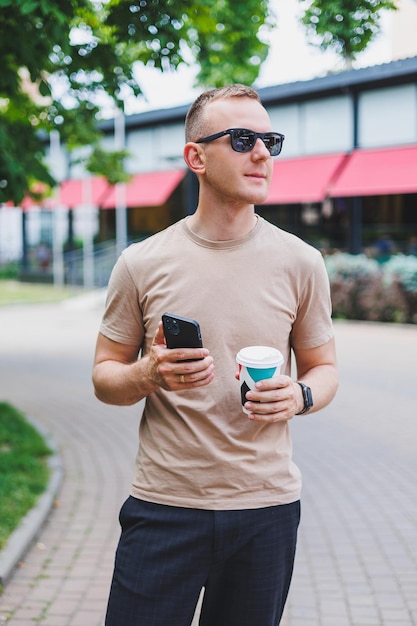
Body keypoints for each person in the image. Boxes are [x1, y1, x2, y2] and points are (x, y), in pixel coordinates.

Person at [92, 84, 338, 626]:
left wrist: (298, 395)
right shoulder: (141, 263)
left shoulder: (301, 262)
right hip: (165, 507)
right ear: (195, 157)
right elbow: (105, 377)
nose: (261, 154)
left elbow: (325, 370)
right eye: (243, 138)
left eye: (270, 140)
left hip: (267, 510)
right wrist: (148, 372)